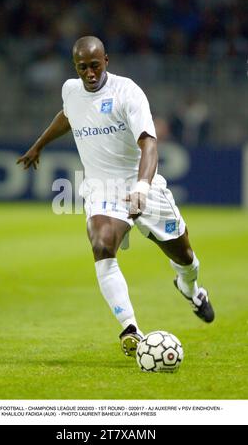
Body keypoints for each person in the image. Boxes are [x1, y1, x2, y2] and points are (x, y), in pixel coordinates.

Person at [17, 36, 214, 358]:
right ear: (75, 67)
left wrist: (141, 188)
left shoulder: (127, 92)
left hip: (141, 185)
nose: (90, 74)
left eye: (95, 66)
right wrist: (39, 144)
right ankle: (130, 328)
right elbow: (68, 114)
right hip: (102, 189)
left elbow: (149, 143)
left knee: (185, 257)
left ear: (106, 60)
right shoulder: (71, 90)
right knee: (102, 245)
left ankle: (190, 289)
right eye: (83, 68)